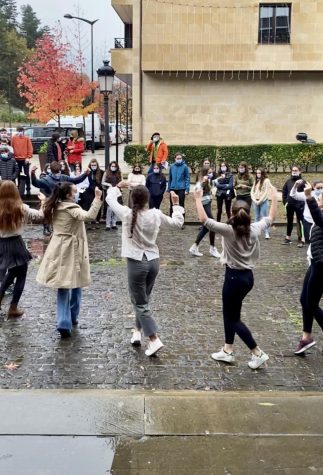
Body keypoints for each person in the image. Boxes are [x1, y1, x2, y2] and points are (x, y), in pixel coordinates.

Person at [194, 185, 277, 369]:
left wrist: (198, 199)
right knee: (231, 313)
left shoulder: (227, 230)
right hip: (248, 278)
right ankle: (227, 350)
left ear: (231, 213)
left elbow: (204, 220)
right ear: (248, 214)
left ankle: (257, 352)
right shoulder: (254, 229)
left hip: (233, 278)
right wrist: (273, 199)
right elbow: (271, 218)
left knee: (232, 318)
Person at [106, 182, 184, 356]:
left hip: (136, 262)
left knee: (139, 302)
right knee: (143, 300)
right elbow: (177, 223)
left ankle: (153, 339)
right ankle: (136, 332)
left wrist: (118, 186)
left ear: (132, 199)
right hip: (153, 261)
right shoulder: (155, 214)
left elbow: (110, 199)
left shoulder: (127, 214)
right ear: (148, 199)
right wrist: (176, 205)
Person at [37, 183, 102, 338]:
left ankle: (64, 321)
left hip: (57, 247)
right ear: (68, 195)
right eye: (75, 191)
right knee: (76, 282)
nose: (77, 193)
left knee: (62, 284)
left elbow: (41, 213)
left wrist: (43, 201)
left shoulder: (53, 206)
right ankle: (69, 319)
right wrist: (98, 198)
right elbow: (89, 216)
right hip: (72, 249)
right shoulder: (72, 208)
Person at [0, 181, 45, 318]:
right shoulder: (22, 208)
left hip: (1, 243)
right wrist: (43, 202)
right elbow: (40, 216)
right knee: (21, 274)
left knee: (12, 273)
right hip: (16, 244)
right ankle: (13, 307)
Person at [294, 184, 323, 355]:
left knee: (310, 303)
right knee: (305, 300)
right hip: (315, 263)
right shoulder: (319, 213)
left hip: (321, 267)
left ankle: (306, 338)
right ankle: (306, 338)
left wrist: (309, 197)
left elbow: (319, 220)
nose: (319, 195)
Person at [189, 166, 221, 258]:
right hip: (204, 205)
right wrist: (203, 182)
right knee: (212, 225)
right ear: (205, 173)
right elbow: (197, 190)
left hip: (207, 204)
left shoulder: (208, 181)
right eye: (209, 173)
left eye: (211, 172)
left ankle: (194, 247)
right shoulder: (201, 182)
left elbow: (215, 183)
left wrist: (220, 178)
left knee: (206, 228)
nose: (211, 174)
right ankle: (212, 248)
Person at [290, 179, 323, 244]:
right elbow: (293, 195)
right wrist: (295, 185)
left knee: (318, 241)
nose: (320, 190)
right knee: (309, 241)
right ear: (313, 187)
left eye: (322, 188)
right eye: (318, 188)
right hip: (308, 220)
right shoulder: (308, 194)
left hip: (320, 222)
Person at [282, 165, 306, 247]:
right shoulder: (288, 181)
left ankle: (302, 239)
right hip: (290, 204)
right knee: (289, 221)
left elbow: (306, 193)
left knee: (301, 222)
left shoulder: (303, 182)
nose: (294, 171)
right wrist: (285, 202)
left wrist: (303, 204)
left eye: (296, 170)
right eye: (293, 170)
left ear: (300, 172)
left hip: (299, 205)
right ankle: (288, 238)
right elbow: (284, 192)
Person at [168, 152, 190, 220]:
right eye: (177, 158)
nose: (179, 159)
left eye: (180, 158)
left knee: (181, 205)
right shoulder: (172, 166)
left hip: (181, 188)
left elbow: (187, 178)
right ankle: (172, 220)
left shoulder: (185, 166)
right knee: (172, 204)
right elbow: (170, 178)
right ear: (175, 159)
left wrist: (187, 189)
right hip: (173, 188)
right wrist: (169, 188)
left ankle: (181, 221)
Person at [251, 168, 272, 239]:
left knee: (264, 217)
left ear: (262, 173)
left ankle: (267, 233)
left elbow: (266, 192)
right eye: (257, 173)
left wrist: (259, 201)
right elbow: (252, 191)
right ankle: (255, 232)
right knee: (256, 217)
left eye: (259, 173)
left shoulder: (266, 181)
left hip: (263, 202)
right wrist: (254, 199)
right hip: (255, 201)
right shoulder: (256, 181)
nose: (258, 174)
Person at [11, 127, 33, 195]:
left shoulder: (26, 138)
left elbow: (30, 148)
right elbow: (12, 148)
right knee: (18, 174)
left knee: (26, 174)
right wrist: (13, 157)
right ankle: (20, 189)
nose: (20, 132)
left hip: (25, 159)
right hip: (16, 159)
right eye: (19, 131)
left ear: (23, 131)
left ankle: (28, 189)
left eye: (21, 131)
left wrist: (28, 157)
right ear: (17, 131)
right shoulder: (13, 138)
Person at [102, 161, 122, 230]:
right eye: (112, 166)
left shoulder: (119, 173)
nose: (113, 168)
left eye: (115, 166)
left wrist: (118, 186)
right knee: (109, 208)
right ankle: (108, 225)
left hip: (116, 191)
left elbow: (121, 181)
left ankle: (114, 223)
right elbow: (103, 182)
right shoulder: (106, 172)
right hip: (109, 192)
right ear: (110, 166)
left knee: (116, 208)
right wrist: (109, 185)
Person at [82, 159, 103, 223]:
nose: (93, 166)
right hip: (89, 190)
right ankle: (90, 218)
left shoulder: (101, 172)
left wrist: (98, 187)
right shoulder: (88, 172)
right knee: (90, 204)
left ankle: (97, 219)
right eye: (92, 165)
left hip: (98, 190)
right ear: (90, 165)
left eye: (95, 165)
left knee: (97, 204)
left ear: (97, 165)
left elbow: (102, 182)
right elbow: (85, 181)